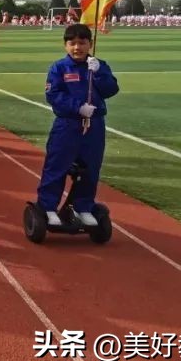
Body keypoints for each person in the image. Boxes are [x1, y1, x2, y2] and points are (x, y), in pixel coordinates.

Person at [36, 23, 119, 227]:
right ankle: (47, 207)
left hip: (94, 127)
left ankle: (83, 207)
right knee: (57, 167)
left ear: (90, 44)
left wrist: (99, 73)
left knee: (90, 169)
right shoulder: (59, 68)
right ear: (65, 45)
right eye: (72, 43)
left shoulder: (98, 65)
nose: (77, 48)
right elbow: (53, 94)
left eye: (82, 43)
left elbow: (111, 90)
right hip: (68, 126)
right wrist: (77, 107)